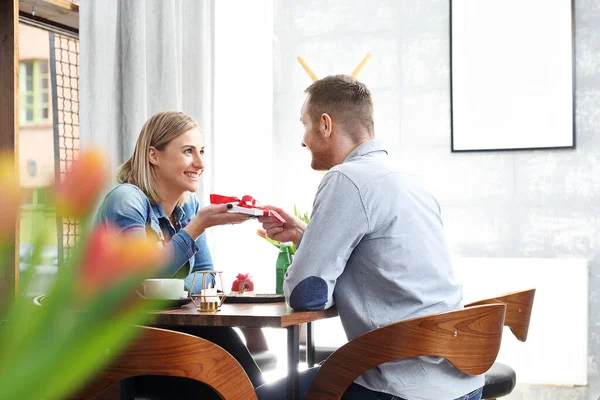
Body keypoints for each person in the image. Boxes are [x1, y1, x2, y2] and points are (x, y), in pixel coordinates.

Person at [255, 76, 484, 400]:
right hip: (461, 382)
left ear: (325, 125)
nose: (303, 140)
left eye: (304, 125)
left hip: (401, 386)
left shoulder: (346, 178)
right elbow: (381, 264)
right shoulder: (409, 179)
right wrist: (306, 235)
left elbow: (307, 295)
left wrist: (305, 260)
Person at [95, 110, 264, 399]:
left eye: (201, 151)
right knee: (221, 364)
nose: (200, 163)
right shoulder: (127, 200)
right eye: (188, 152)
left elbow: (204, 282)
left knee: (225, 346)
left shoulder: (188, 207)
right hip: (123, 349)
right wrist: (198, 227)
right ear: (153, 155)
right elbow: (143, 278)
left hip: (170, 335)